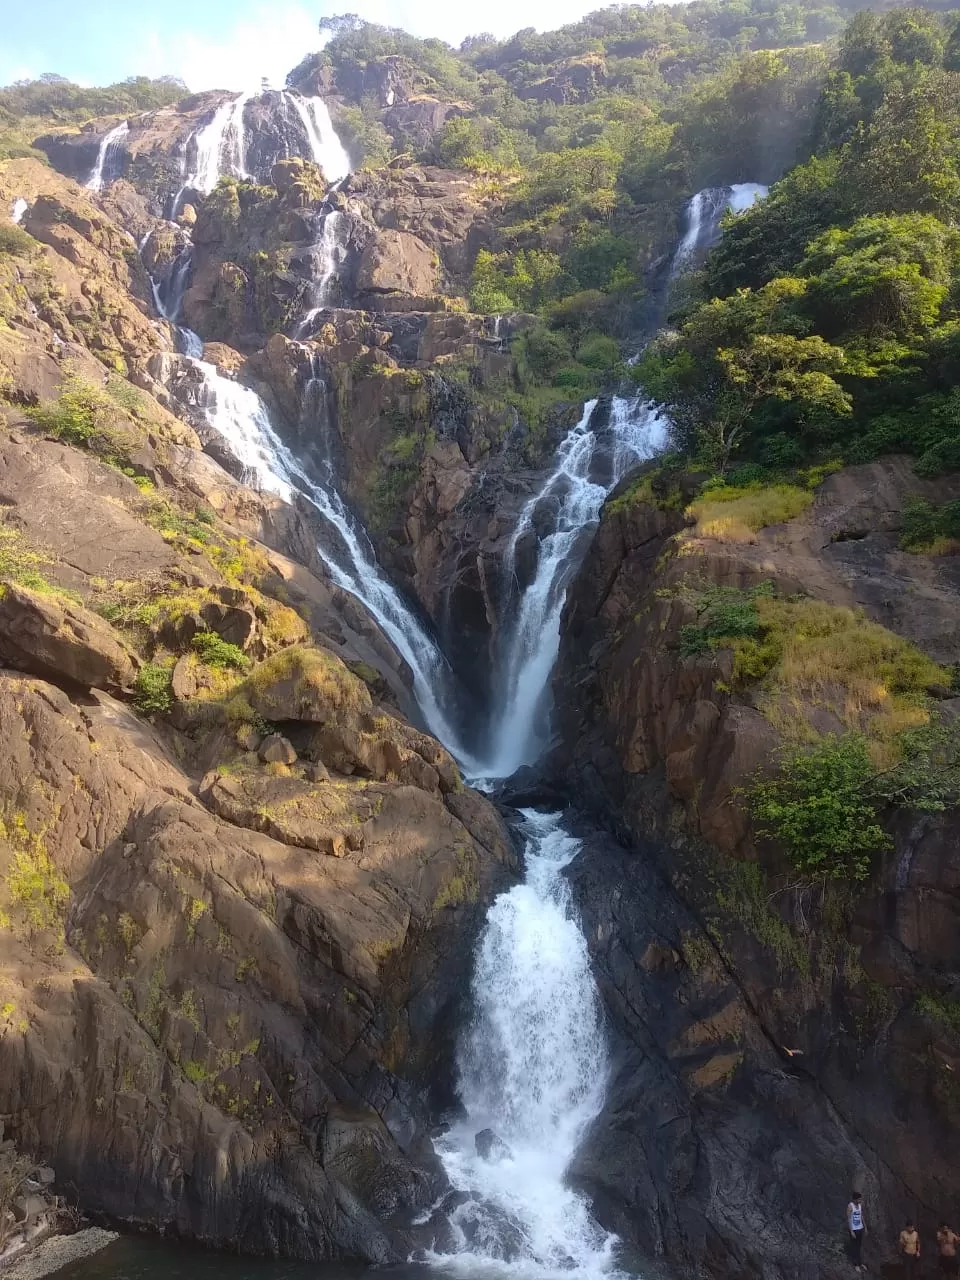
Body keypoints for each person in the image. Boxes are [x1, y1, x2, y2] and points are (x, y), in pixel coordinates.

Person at [848, 1193, 867, 1272]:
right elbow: (849, 1219)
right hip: (854, 1229)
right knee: (854, 1246)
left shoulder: (860, 1206)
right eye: (859, 1199)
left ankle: (860, 1263)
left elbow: (861, 1216)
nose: (860, 1200)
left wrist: (865, 1227)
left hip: (860, 1228)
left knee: (859, 1246)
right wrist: (851, 1231)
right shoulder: (850, 1206)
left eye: (860, 1199)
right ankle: (855, 1264)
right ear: (854, 1199)